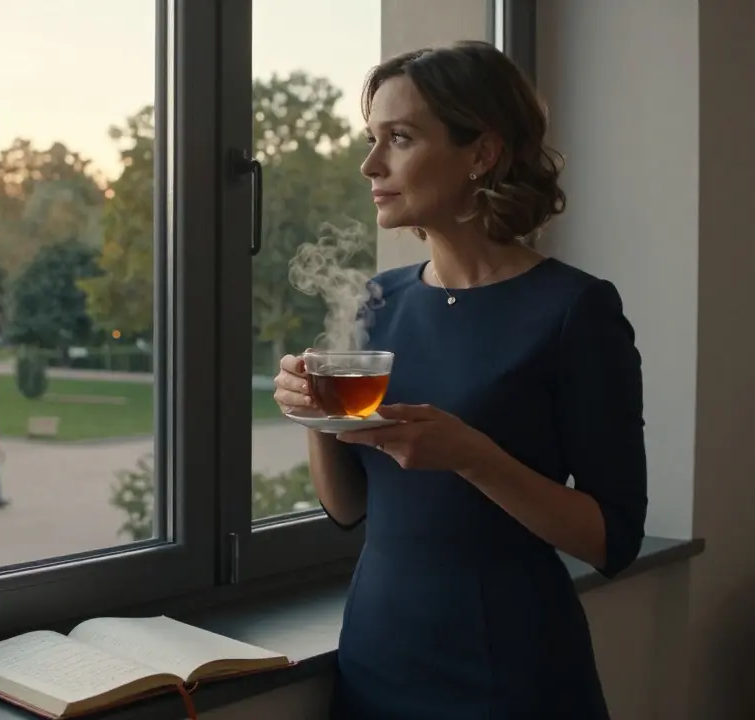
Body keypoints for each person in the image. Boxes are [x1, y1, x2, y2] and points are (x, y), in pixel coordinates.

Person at [272, 42, 647, 719]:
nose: (370, 165)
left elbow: (612, 539)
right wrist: (315, 417)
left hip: (511, 673)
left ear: (482, 153)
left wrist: (471, 456)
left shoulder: (574, 311)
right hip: (375, 661)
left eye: (401, 139)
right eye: (371, 140)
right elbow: (349, 508)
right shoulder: (374, 303)